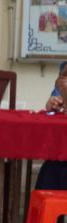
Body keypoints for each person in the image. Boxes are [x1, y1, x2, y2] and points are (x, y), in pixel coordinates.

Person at [37, 61, 67, 189]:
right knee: (51, 168)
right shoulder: (65, 67)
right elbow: (57, 97)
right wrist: (53, 103)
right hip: (61, 148)